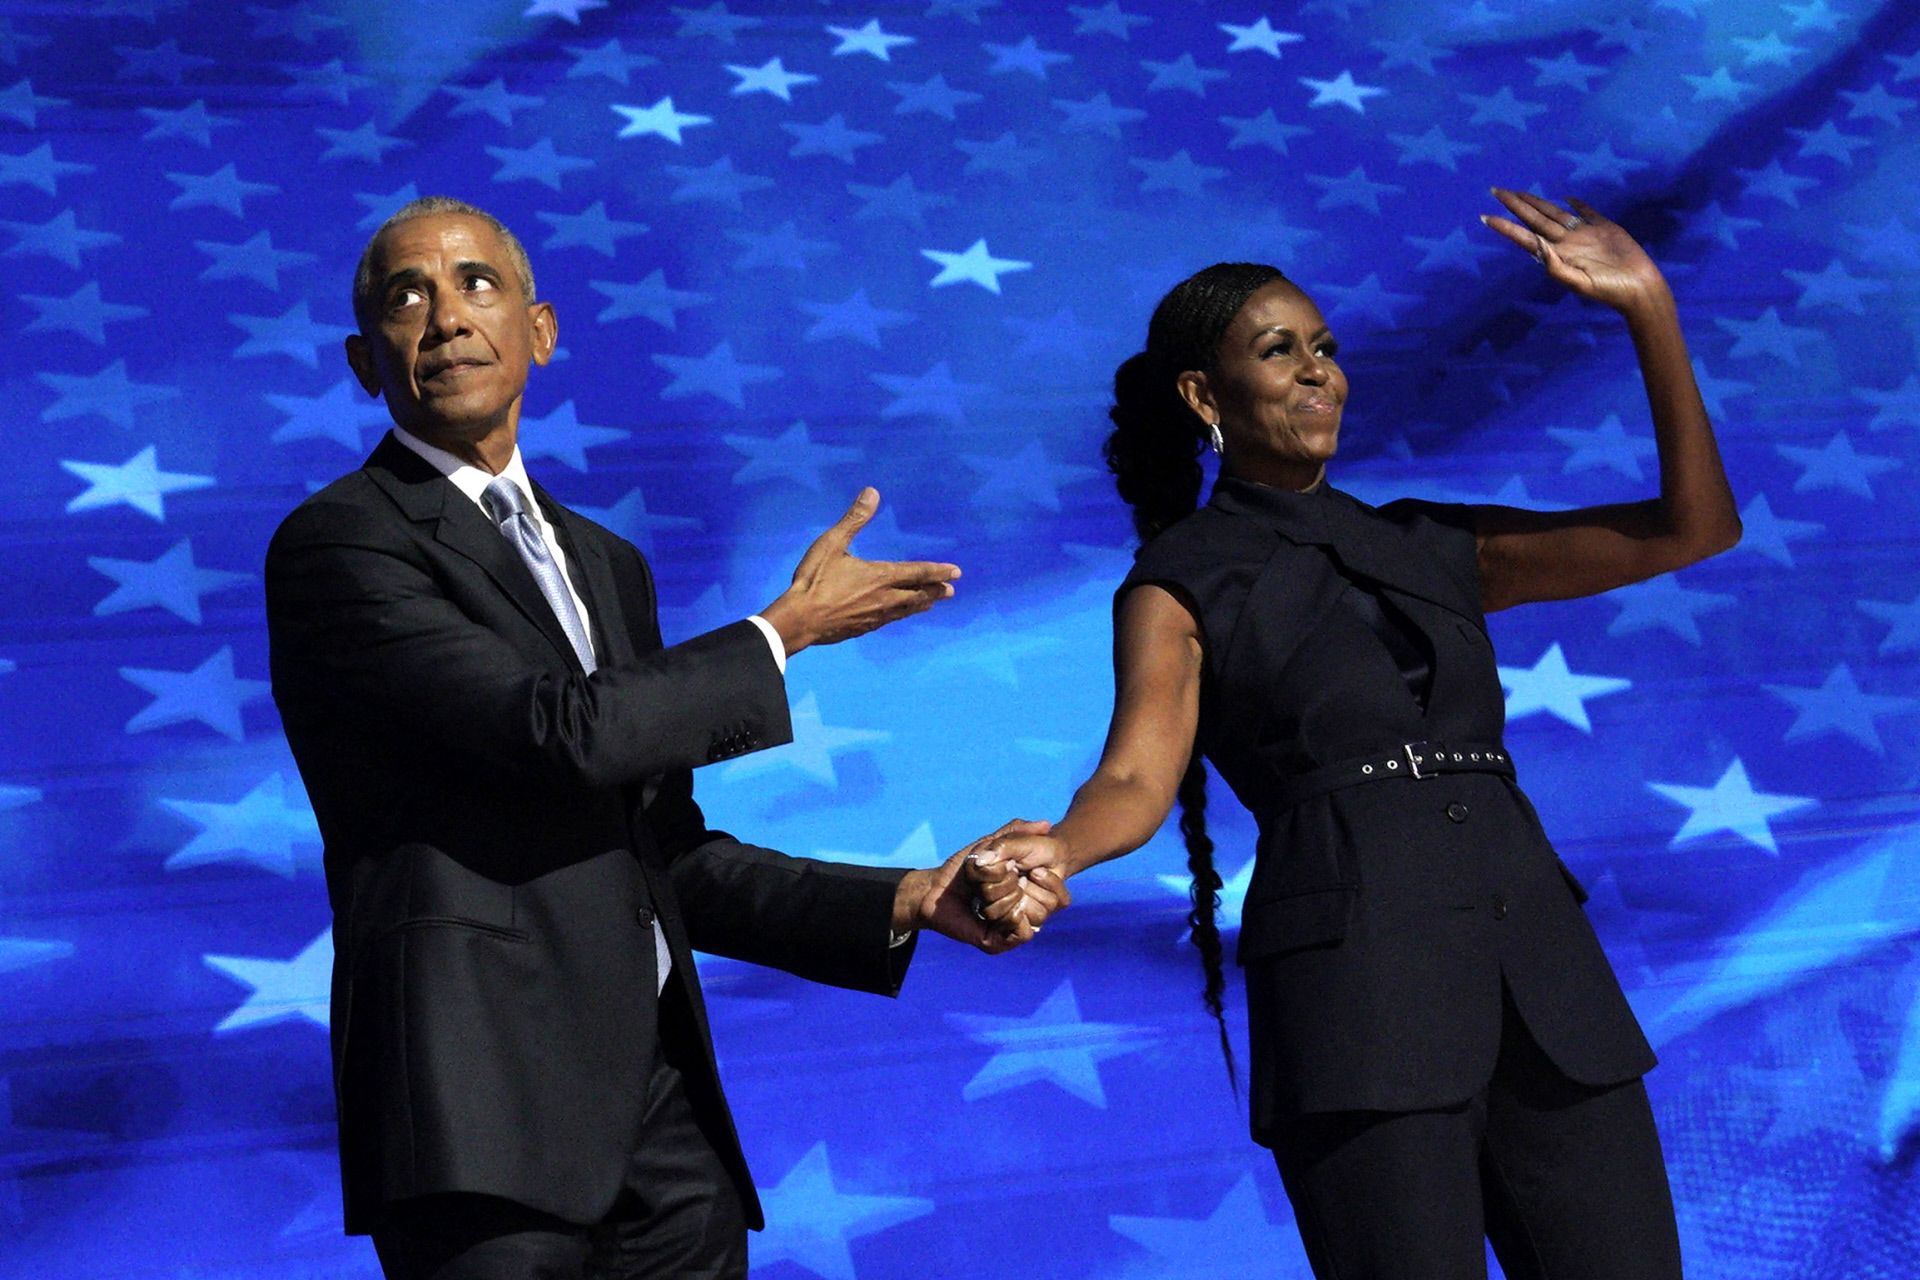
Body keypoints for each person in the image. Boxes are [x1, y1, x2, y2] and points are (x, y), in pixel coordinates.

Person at [264, 196, 1057, 1280]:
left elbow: (664, 853)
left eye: (475, 283)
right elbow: (558, 735)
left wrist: (907, 895)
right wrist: (786, 630)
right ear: (366, 361)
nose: (445, 315)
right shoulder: (341, 542)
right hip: (481, 1112)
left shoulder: (607, 564)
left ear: (540, 330)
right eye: (408, 295)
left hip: (662, 1118)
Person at [965, 188, 1740, 1278]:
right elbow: (1137, 774)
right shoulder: (1180, 580)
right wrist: (1062, 845)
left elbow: (1691, 527)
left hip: (1545, 985)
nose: (1318, 368)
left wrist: (1648, 305)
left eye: (1325, 346)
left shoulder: (1431, 541)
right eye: (1280, 350)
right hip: (1358, 1001)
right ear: (1204, 394)